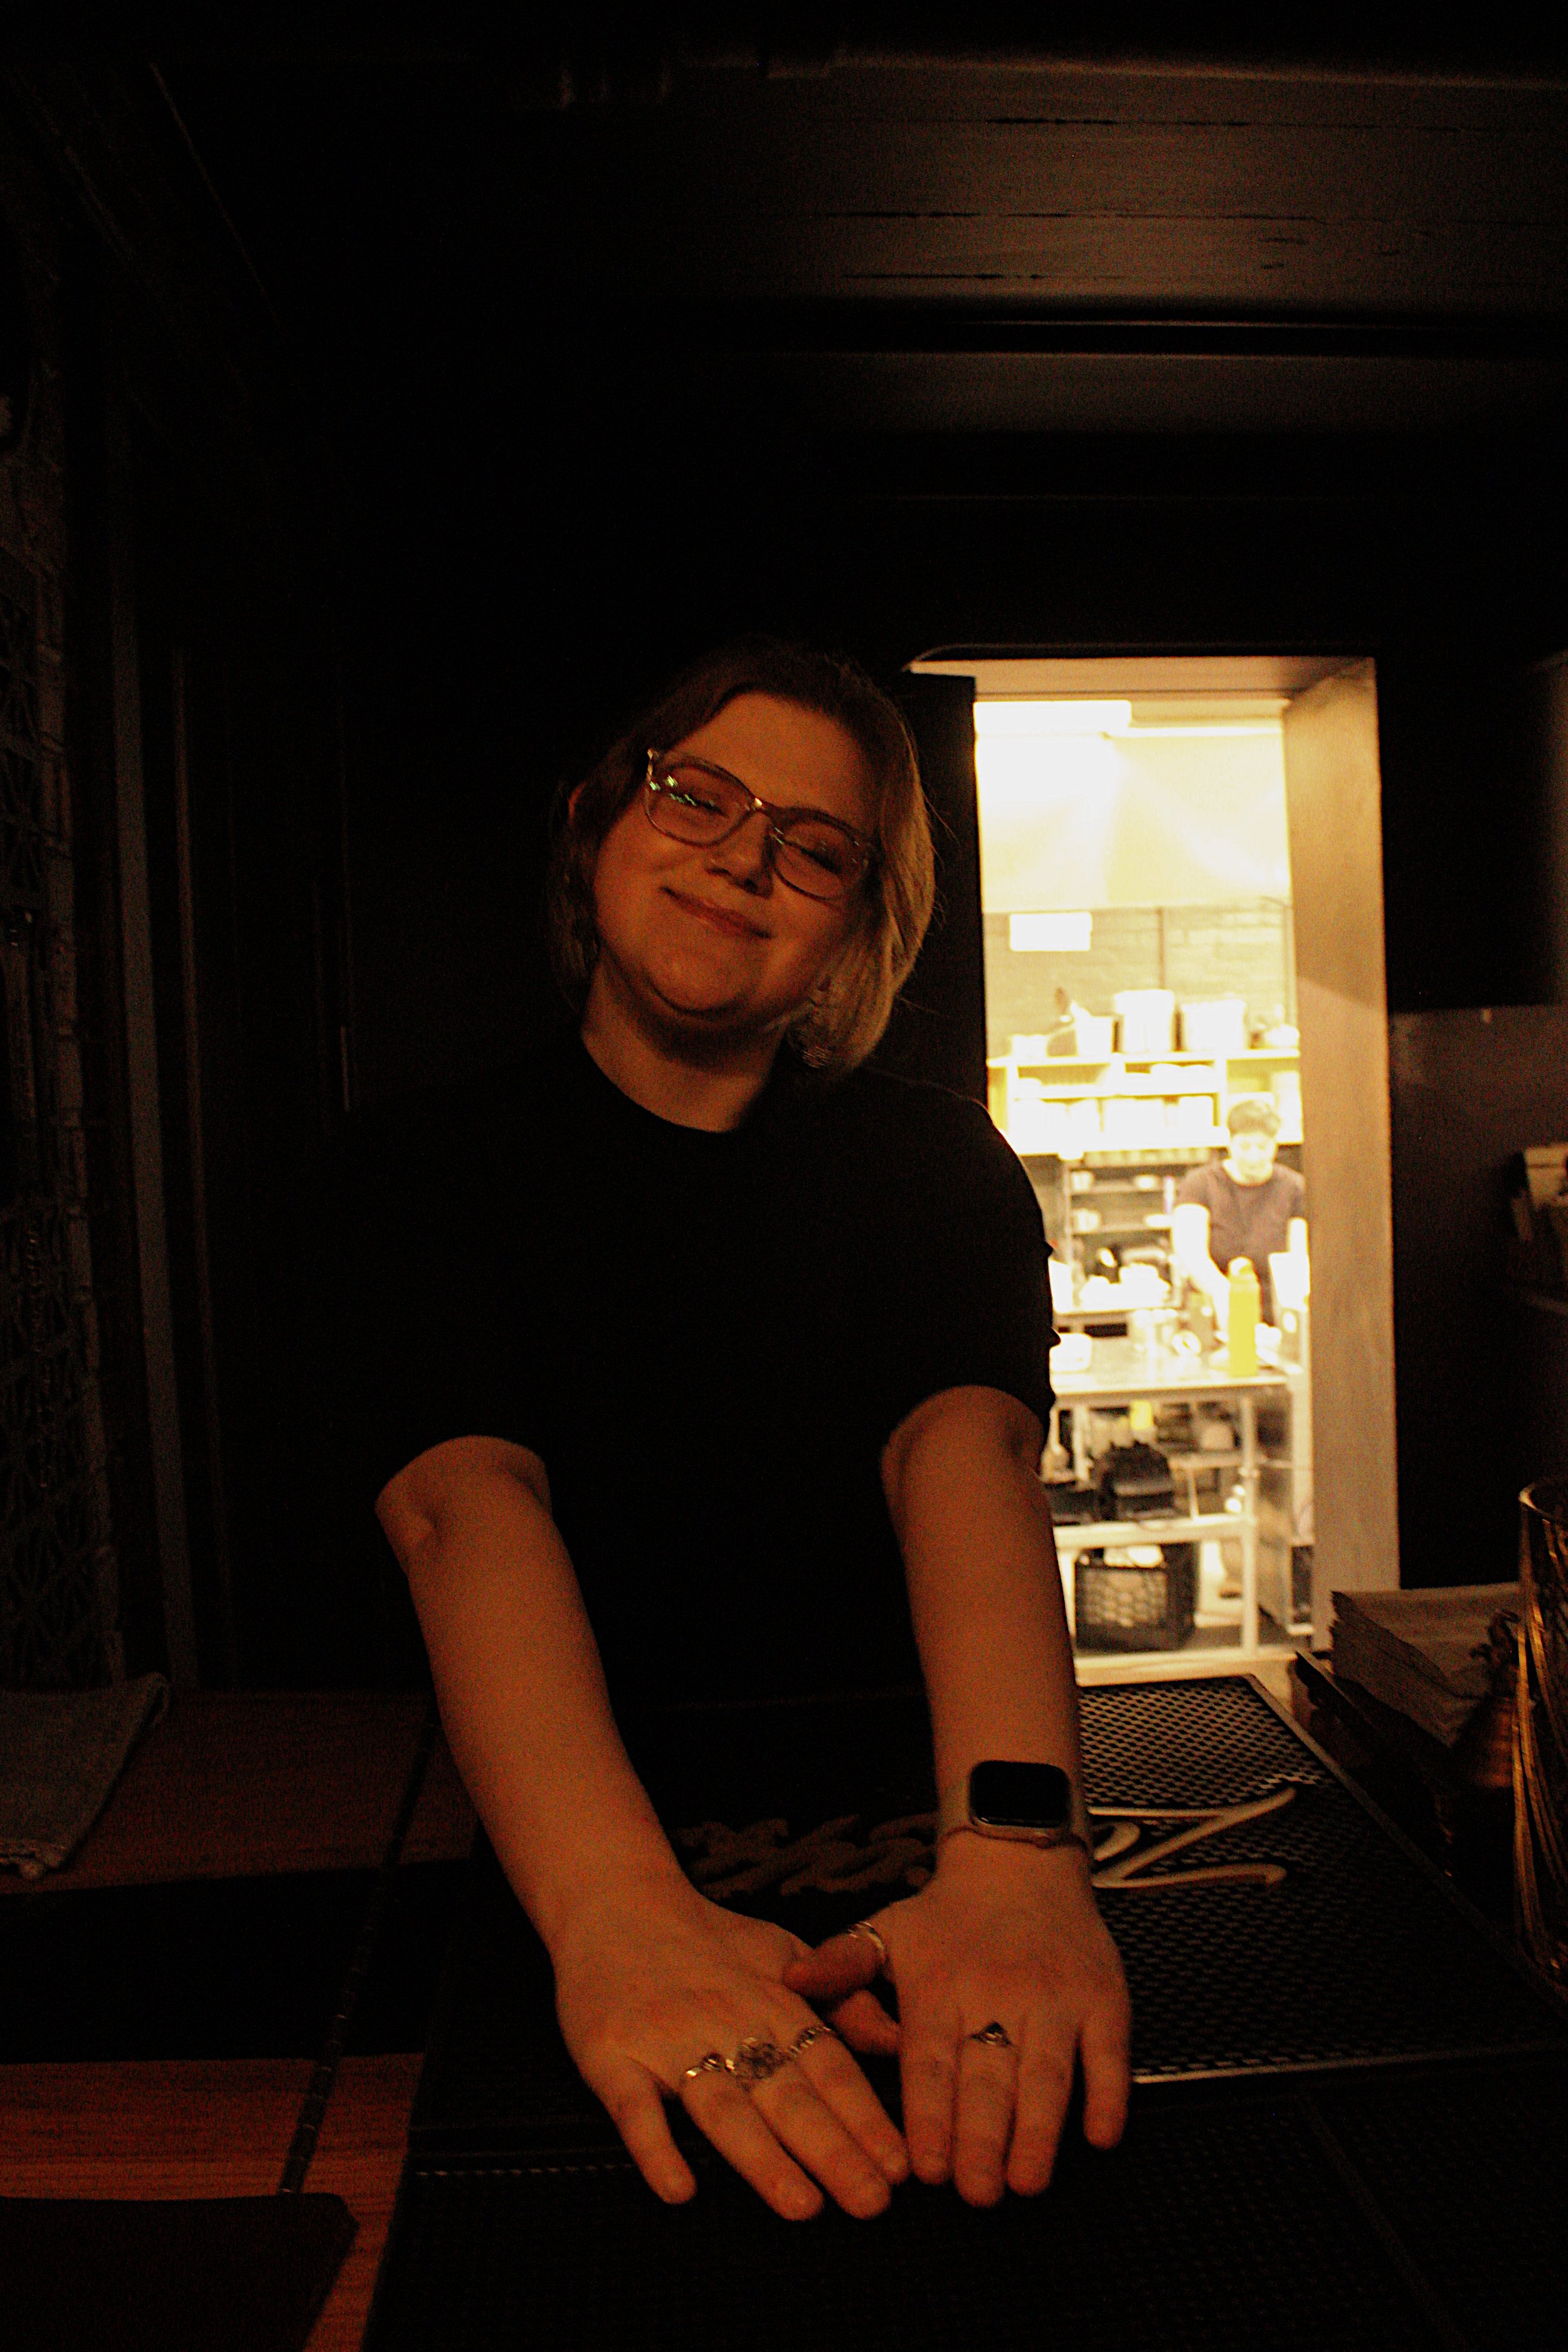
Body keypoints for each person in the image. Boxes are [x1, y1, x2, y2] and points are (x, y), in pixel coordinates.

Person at [358, 640, 1130, 2228]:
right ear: (595, 820)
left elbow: (965, 1458)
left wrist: (1016, 1855)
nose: (741, 856)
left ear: (855, 925)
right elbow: (460, 1506)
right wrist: (617, 1915)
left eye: (814, 844)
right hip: (558, 1870)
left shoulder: (933, 1166)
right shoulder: (428, 1171)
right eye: (696, 794)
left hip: (909, 1874)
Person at [1172, 1094, 1306, 1325]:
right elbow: (1190, 1252)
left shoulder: (1295, 1187)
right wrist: (1222, 1292)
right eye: (1244, 1146)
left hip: (1274, 1314)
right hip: (1213, 1312)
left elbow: (1298, 1258)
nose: (1254, 1156)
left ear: (1275, 1145)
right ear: (1230, 1143)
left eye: (1262, 1147)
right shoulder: (1200, 1184)